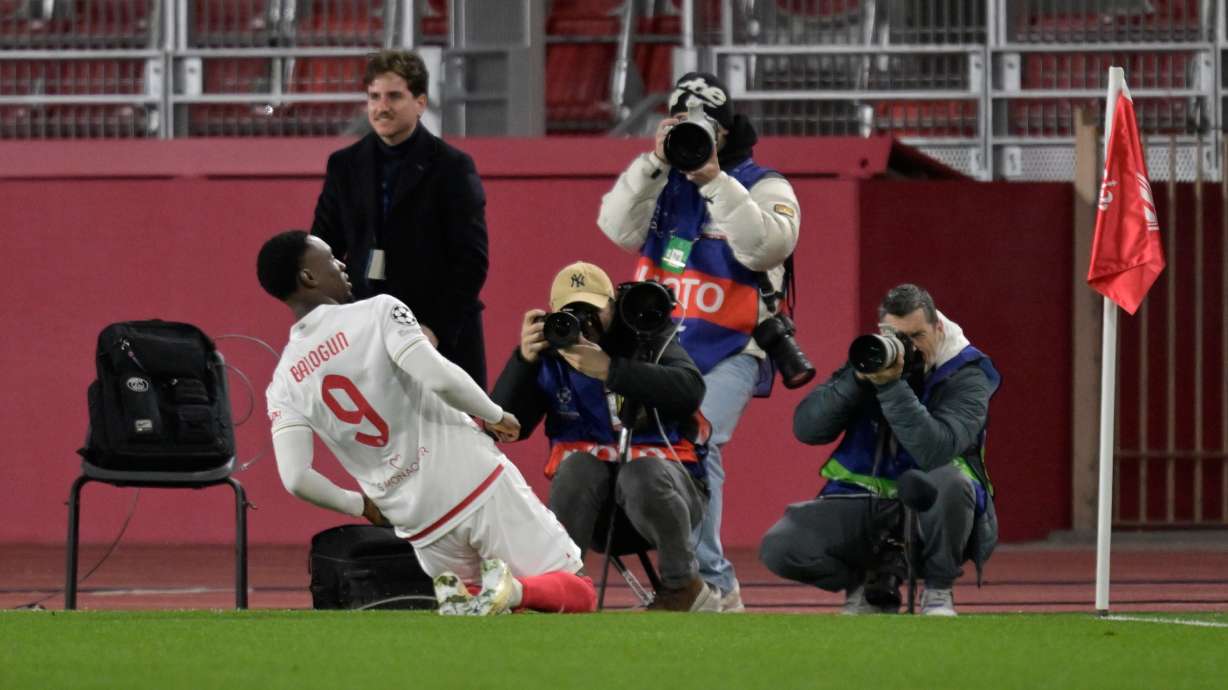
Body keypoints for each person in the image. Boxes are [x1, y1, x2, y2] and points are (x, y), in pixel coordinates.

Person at [258, 230, 595, 615]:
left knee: (486, 612)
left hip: (418, 521)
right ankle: (511, 591)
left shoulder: (284, 380)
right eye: (331, 258)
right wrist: (495, 414)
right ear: (308, 277)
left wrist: (361, 506)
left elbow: (296, 477)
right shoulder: (377, 311)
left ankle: (466, 592)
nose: (342, 264)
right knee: (577, 591)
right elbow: (438, 376)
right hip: (474, 483)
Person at [596, 72, 801, 612]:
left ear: (726, 133)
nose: (691, 138)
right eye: (679, 124)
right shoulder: (661, 180)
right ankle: (693, 580)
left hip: (734, 344)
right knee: (656, 452)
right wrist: (652, 163)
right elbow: (616, 228)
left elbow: (765, 248)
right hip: (662, 347)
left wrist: (713, 178)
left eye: (702, 127)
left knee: (698, 437)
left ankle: (712, 583)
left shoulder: (764, 183)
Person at [759, 284, 1001, 616]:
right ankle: (862, 583)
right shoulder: (872, 360)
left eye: (917, 336)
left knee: (951, 482)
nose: (908, 346)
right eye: (898, 337)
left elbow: (935, 450)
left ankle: (938, 592)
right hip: (866, 499)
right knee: (781, 547)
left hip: (934, 509)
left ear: (938, 328)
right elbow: (808, 429)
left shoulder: (967, 375)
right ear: (882, 332)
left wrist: (889, 386)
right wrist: (855, 381)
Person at [490, 262, 718, 612]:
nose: (586, 323)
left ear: (613, 306)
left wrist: (612, 370)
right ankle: (559, 588)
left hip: (669, 496)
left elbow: (690, 390)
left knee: (641, 472)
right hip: (596, 508)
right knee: (578, 467)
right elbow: (505, 426)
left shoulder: (645, 335)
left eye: (593, 311)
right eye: (573, 313)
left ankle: (682, 586)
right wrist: (523, 360)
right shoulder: (551, 355)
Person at [311, 49, 490, 387]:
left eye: (394, 96)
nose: (382, 107)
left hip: (440, 342)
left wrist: (433, 329)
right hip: (367, 339)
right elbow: (323, 250)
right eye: (374, 97)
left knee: (448, 440)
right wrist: (333, 323)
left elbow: (471, 262)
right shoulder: (344, 165)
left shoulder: (452, 167)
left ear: (420, 102)